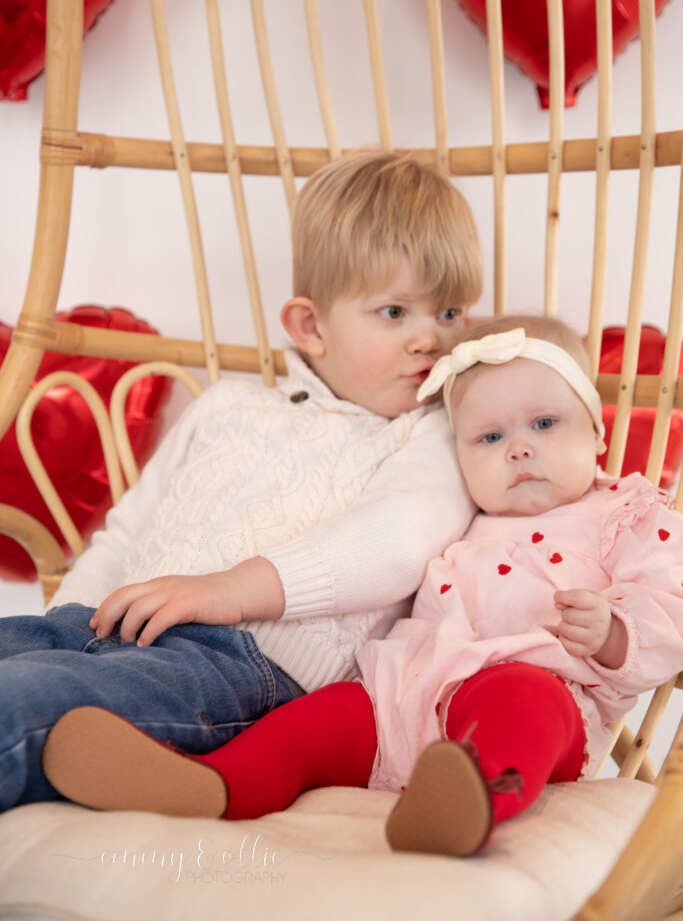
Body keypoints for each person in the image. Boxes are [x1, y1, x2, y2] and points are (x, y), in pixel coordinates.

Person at [43, 314, 683, 855]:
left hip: (547, 688)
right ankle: (209, 786)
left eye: (544, 425)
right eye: (490, 437)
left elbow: (673, 607)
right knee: (318, 720)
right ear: (459, 452)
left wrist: (615, 632)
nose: (518, 449)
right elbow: (382, 548)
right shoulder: (457, 507)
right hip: (407, 694)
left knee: (520, 701)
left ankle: (473, 797)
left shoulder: (628, 515)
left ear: (597, 433)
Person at [0, 150, 484, 814]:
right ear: (310, 326)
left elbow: (396, 541)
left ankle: (107, 742)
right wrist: (75, 618)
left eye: (451, 313)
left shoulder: (433, 434)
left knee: (22, 706)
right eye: (395, 313)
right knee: (18, 651)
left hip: (239, 668)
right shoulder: (226, 407)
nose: (429, 339)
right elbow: (127, 530)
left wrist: (231, 590)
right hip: (104, 627)